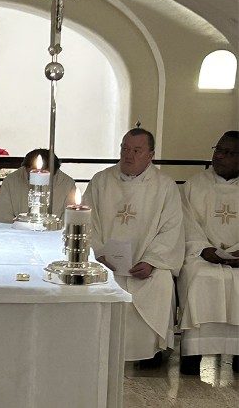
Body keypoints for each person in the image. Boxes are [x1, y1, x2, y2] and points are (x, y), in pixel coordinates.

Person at [83, 128, 184, 367]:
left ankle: (150, 352)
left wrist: (151, 261)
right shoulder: (101, 180)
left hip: (146, 266)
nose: (128, 155)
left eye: (136, 150)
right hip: (104, 262)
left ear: (150, 155)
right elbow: (86, 220)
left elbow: (172, 229)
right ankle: (96, 346)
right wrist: (98, 253)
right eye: (124, 149)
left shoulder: (165, 186)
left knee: (160, 283)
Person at [177, 131, 239, 375]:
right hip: (201, 256)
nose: (220, 157)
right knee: (201, 279)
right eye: (218, 150)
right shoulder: (194, 185)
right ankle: (193, 355)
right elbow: (185, 222)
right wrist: (204, 248)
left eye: (228, 153)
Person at [0, 148, 76, 223]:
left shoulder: (67, 184)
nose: (38, 176)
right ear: (26, 168)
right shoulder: (11, 181)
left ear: (54, 172)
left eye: (44, 173)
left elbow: (69, 217)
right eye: (33, 172)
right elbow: (3, 212)